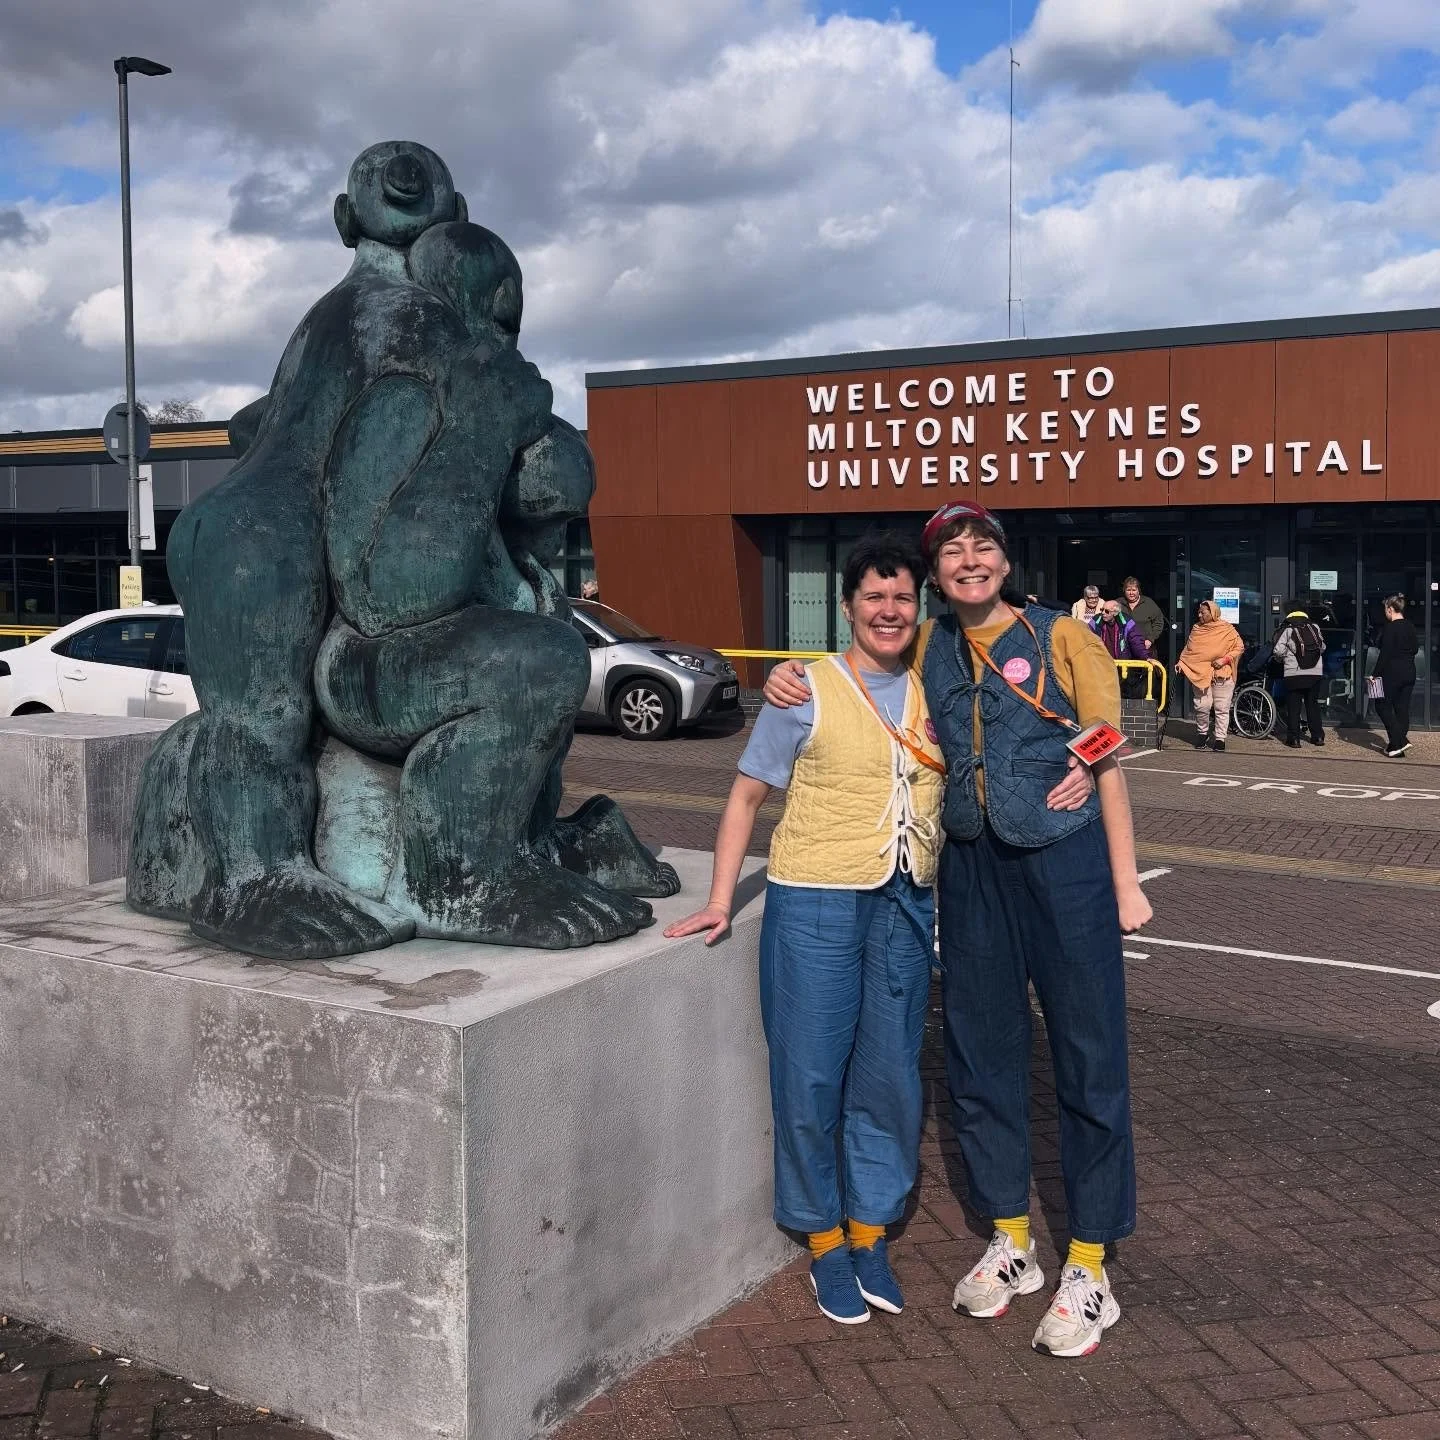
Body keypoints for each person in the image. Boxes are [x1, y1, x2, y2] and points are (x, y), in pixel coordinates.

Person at [766, 501, 1149, 1359]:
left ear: (1005, 562)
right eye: (952, 553)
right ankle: (1011, 1238)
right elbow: (855, 669)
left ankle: (1089, 1262)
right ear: (936, 573)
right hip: (971, 868)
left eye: (983, 547)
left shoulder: (1063, 636)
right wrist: (785, 678)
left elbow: (1108, 742)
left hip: (1064, 866)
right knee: (980, 1054)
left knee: (1089, 1057)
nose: (968, 562)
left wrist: (1125, 880)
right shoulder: (931, 643)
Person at [1176, 600, 1245, 752]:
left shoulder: (1227, 629)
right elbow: (1190, 650)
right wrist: (1182, 663)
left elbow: (1239, 647)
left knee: (1221, 707)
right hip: (1200, 672)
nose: (1199, 615)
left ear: (1213, 613)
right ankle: (1202, 733)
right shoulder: (1196, 629)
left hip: (1222, 673)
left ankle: (1220, 738)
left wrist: (1225, 659)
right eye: (1199, 612)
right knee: (1202, 706)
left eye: (1203, 613)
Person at [1273, 607, 1327, 748]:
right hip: (1314, 673)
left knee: (1294, 707)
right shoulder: (1314, 628)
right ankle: (1318, 737)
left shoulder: (1288, 630)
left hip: (1294, 674)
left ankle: (1294, 739)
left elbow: (1278, 650)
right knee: (1312, 705)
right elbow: (1323, 647)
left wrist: (1285, 657)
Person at [1373, 594, 1420, 757]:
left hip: (1392, 672)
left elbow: (1384, 654)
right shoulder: (1410, 626)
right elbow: (1415, 648)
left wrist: (1374, 674)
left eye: (1385, 609)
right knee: (1402, 708)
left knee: (1381, 704)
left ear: (1390, 609)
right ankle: (1395, 746)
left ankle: (1400, 741)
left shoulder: (1390, 628)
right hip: (1409, 670)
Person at [1121, 577, 1166, 652]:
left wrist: (1150, 639)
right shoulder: (1118, 603)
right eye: (1128, 590)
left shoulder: (1148, 603)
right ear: (1124, 591)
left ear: (1139, 590)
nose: (1131, 593)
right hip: (1124, 648)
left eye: (1134, 590)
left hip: (1145, 647)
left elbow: (1158, 622)